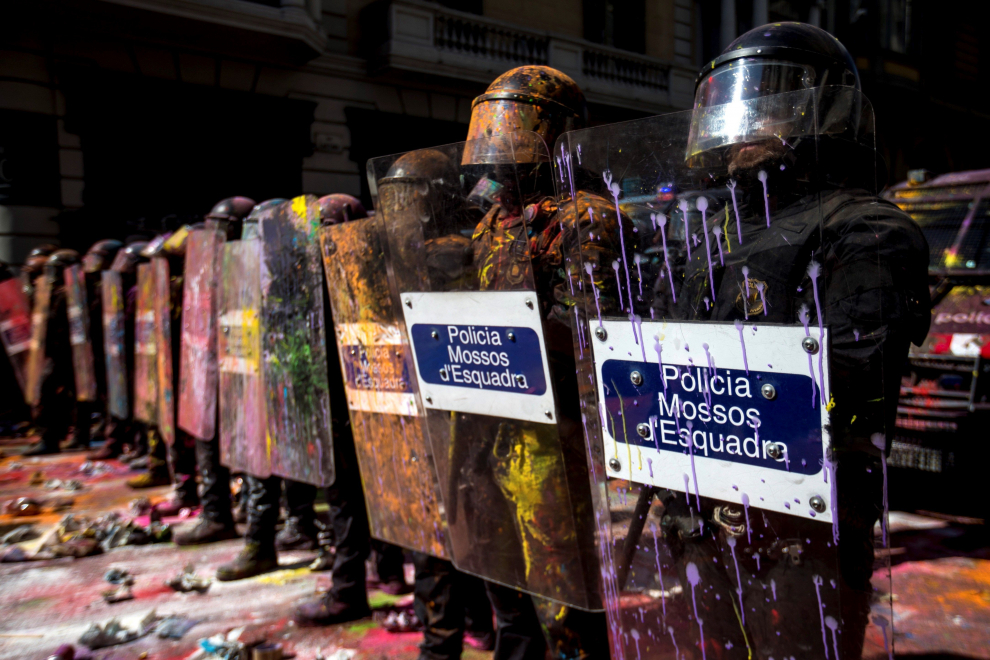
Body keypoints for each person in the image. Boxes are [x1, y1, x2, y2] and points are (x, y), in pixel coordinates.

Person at [292, 194, 410, 625]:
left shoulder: (359, 271)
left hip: (368, 403)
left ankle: (355, 588)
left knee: (363, 498)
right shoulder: (343, 271)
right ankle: (384, 575)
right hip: (354, 405)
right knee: (367, 495)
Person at [173, 198, 253, 546]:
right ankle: (216, 513)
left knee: (251, 446)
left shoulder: (254, 260)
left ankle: (245, 509)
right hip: (212, 368)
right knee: (209, 439)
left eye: (223, 226)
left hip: (246, 369)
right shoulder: (208, 265)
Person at [23, 249, 80, 456]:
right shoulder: (51, 293)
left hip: (65, 352)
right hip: (54, 351)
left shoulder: (69, 294)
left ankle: (53, 438)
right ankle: (54, 436)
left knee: (53, 391)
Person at [81, 239, 124, 460]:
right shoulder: (95, 286)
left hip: (120, 350)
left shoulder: (119, 284)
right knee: (109, 398)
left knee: (118, 398)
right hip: (102, 348)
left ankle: (115, 440)